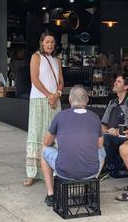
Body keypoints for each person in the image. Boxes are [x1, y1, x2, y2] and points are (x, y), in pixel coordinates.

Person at [41, 85, 106, 206]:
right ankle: (91, 184)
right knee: (102, 150)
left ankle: (51, 194)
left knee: (44, 150)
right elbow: (99, 144)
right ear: (87, 100)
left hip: (64, 172)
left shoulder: (60, 116)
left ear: (70, 100)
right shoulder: (95, 117)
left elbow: (46, 142)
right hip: (90, 172)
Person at [24, 30, 64, 186]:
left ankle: (54, 170)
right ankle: (32, 173)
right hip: (39, 99)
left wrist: (57, 94)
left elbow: (61, 81)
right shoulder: (36, 57)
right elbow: (34, 79)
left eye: (52, 42)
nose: (50, 45)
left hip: (55, 100)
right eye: (47, 42)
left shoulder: (57, 60)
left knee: (54, 134)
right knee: (36, 133)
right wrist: (50, 95)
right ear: (41, 43)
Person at [100, 74, 128, 179]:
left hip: (125, 139)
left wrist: (113, 132)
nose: (115, 83)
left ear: (126, 86)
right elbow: (103, 124)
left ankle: (104, 170)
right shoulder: (112, 102)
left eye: (118, 81)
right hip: (110, 135)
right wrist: (109, 131)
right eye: (115, 81)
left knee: (104, 139)